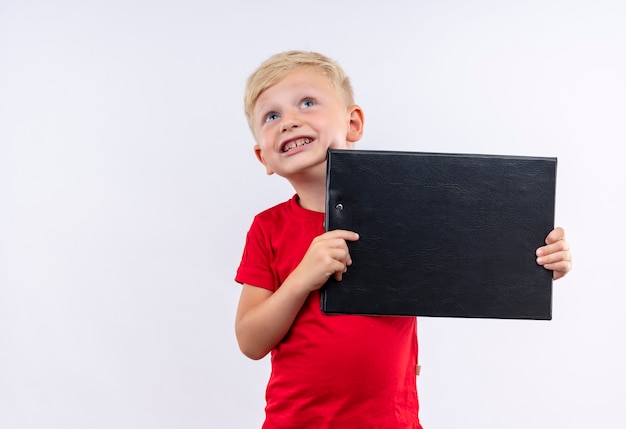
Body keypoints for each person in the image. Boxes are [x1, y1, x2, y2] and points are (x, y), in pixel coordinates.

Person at [234, 50, 573, 429]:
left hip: (391, 420)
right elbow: (250, 341)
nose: (289, 122)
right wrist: (302, 277)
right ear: (263, 156)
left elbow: (469, 255)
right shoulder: (267, 228)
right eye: (272, 116)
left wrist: (537, 263)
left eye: (307, 103)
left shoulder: (400, 211)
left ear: (353, 123)